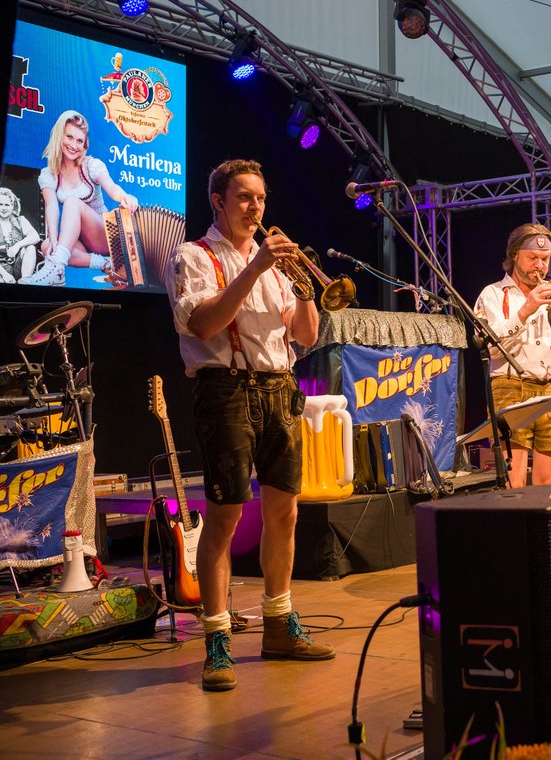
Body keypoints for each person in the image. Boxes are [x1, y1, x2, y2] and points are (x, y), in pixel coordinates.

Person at [167, 159, 332, 693]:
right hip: (226, 390)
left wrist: (304, 287)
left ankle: (279, 626)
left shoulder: (277, 268)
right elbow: (204, 323)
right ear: (218, 201)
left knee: (285, 513)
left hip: (279, 388)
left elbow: (305, 336)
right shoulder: (194, 256)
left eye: (260, 197)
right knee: (225, 517)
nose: (255, 207)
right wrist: (256, 268)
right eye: (244, 197)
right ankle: (217, 638)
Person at [474, 222, 551, 488]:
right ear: (514, 255)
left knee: (548, 484)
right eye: (533, 258)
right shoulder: (493, 294)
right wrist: (525, 310)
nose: (540, 265)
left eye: (545, 259)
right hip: (509, 388)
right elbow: (490, 347)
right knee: (512, 483)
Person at [21, 110, 138, 286]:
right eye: (69, 137)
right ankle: (104, 263)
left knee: (71, 202)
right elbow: (51, 206)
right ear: (59, 136)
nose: (73, 145)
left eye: (79, 141)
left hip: (104, 234)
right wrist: (54, 240)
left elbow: (112, 188)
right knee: (47, 246)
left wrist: (125, 196)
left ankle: (56, 268)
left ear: (84, 145)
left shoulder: (91, 165)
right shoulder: (48, 174)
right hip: (81, 241)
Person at [0, 188, 41, 283]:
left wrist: (17, 246)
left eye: (7, 205)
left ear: (12, 206)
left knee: (30, 248)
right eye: (0, 204)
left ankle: (25, 282)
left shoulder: (20, 220)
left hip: (18, 266)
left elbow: (35, 236)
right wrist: (5, 275)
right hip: (1, 269)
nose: (3, 208)